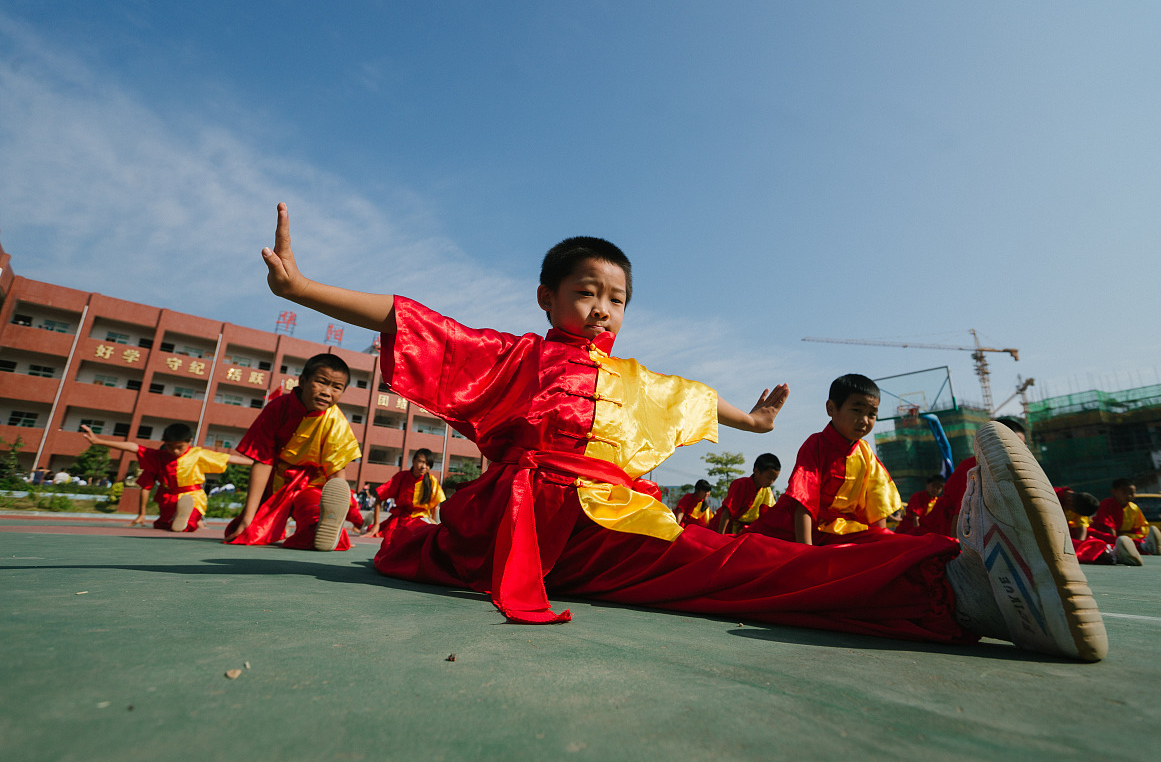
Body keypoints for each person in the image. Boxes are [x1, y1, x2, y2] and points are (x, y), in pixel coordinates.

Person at [257, 202, 1108, 661]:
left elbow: (700, 401)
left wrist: (758, 418)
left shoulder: (637, 380)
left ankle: (963, 578)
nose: (603, 308)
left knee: (740, 560)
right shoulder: (519, 354)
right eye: (587, 290)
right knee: (733, 568)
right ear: (547, 298)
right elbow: (420, 320)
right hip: (541, 515)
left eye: (618, 297)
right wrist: (306, 291)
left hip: (616, 515)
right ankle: (956, 588)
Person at [223, 353, 362, 551]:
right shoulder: (277, 409)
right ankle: (251, 523)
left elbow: (336, 476)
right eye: (321, 382)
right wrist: (248, 517)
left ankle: (327, 530)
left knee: (316, 526)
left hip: (311, 483)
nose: (327, 392)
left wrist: (341, 517)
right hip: (275, 480)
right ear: (303, 381)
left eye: (336, 387)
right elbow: (263, 461)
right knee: (248, 533)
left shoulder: (336, 422)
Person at [742, 375, 901, 546]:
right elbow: (804, 502)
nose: (864, 420)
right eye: (857, 410)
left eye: (871, 414)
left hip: (841, 532)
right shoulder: (815, 445)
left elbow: (877, 506)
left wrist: (881, 546)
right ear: (831, 408)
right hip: (797, 531)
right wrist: (806, 552)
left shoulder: (866, 453)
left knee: (902, 546)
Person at [80, 423, 251, 531]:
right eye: (170, 447)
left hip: (192, 496)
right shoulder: (160, 456)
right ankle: (177, 517)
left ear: (189, 441)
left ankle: (190, 516)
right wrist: (100, 441)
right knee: (161, 525)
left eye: (179, 447)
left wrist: (258, 463)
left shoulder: (198, 454)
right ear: (164, 443)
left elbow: (230, 458)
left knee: (188, 525)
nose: (174, 451)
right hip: (168, 497)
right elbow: (134, 447)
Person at [920, 416, 1028, 539]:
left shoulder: (1021, 468)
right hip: (947, 535)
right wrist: (958, 549)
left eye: (1023, 444)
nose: (1021, 449)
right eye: (1014, 443)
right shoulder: (974, 466)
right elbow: (961, 515)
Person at [1090, 479, 1161, 556]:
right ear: (1113, 491)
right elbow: (1109, 528)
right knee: (1140, 543)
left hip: (1126, 537)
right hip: (1107, 537)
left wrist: (1140, 537)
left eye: (1132, 493)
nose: (1129, 496)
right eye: (1124, 492)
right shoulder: (1107, 504)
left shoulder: (1134, 508)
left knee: (1156, 542)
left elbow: (1140, 527)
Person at [363, 448, 445, 538]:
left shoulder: (432, 481)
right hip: (399, 519)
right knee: (378, 533)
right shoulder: (401, 477)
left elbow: (434, 506)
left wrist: (433, 527)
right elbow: (380, 496)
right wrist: (376, 524)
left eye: (428, 464)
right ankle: (364, 526)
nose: (424, 466)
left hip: (420, 519)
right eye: (421, 461)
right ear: (413, 461)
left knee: (420, 534)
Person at [712, 455, 781, 535]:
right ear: (756, 471)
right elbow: (727, 511)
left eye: (774, 479)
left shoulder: (767, 491)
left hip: (749, 531)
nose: (771, 482)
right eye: (768, 478)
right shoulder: (740, 484)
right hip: (727, 527)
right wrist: (720, 535)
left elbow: (770, 515)